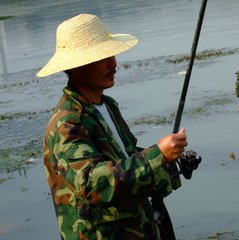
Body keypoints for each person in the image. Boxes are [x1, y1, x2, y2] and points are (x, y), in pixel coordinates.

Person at [37, 13, 189, 240]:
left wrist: (167, 161)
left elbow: (125, 161)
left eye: (112, 54)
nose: (113, 63)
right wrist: (155, 156)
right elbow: (90, 183)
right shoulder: (68, 123)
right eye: (103, 57)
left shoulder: (106, 106)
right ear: (77, 67)